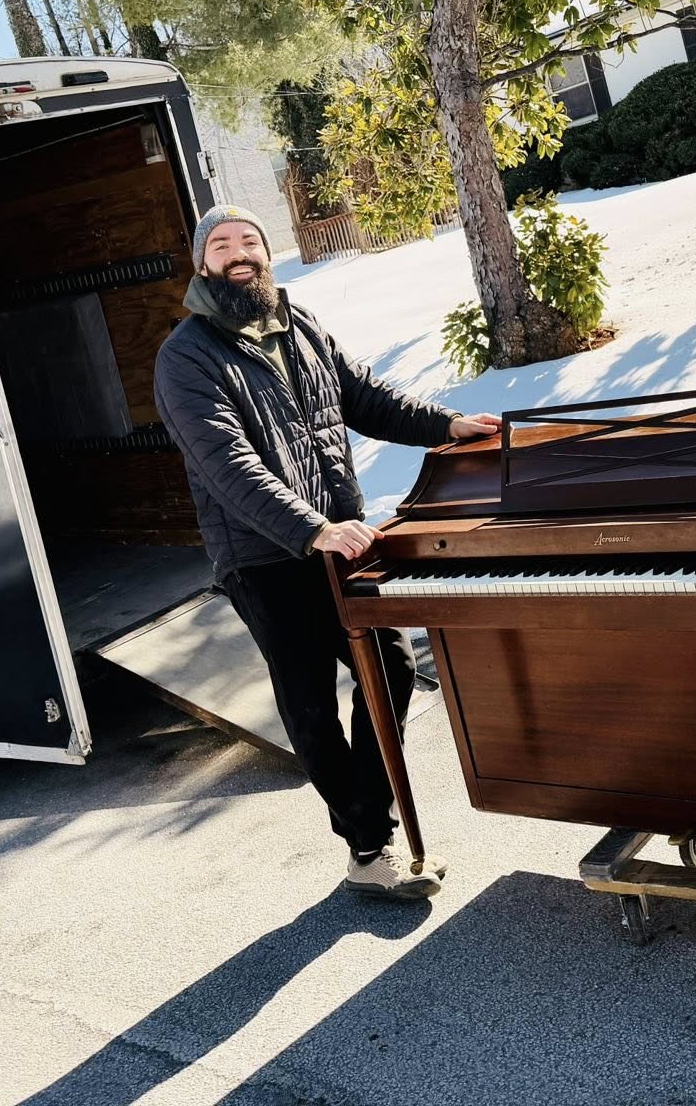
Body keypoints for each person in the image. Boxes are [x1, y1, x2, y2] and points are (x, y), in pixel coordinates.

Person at [154, 206, 500, 901]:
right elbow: (227, 464)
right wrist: (311, 528)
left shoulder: (299, 324)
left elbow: (365, 398)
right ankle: (368, 848)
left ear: (265, 253)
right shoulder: (186, 356)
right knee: (310, 701)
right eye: (221, 245)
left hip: (338, 538)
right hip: (263, 555)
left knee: (392, 668)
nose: (239, 253)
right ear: (202, 263)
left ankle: (371, 821)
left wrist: (448, 424)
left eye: (250, 240)